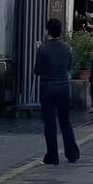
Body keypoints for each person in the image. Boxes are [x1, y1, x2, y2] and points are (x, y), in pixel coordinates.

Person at [34, 18, 79, 166]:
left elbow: (37, 70)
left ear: (47, 31)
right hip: (64, 87)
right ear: (60, 31)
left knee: (50, 123)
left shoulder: (43, 48)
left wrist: (39, 50)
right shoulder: (67, 48)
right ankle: (72, 153)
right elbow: (68, 67)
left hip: (47, 87)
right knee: (65, 121)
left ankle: (52, 156)